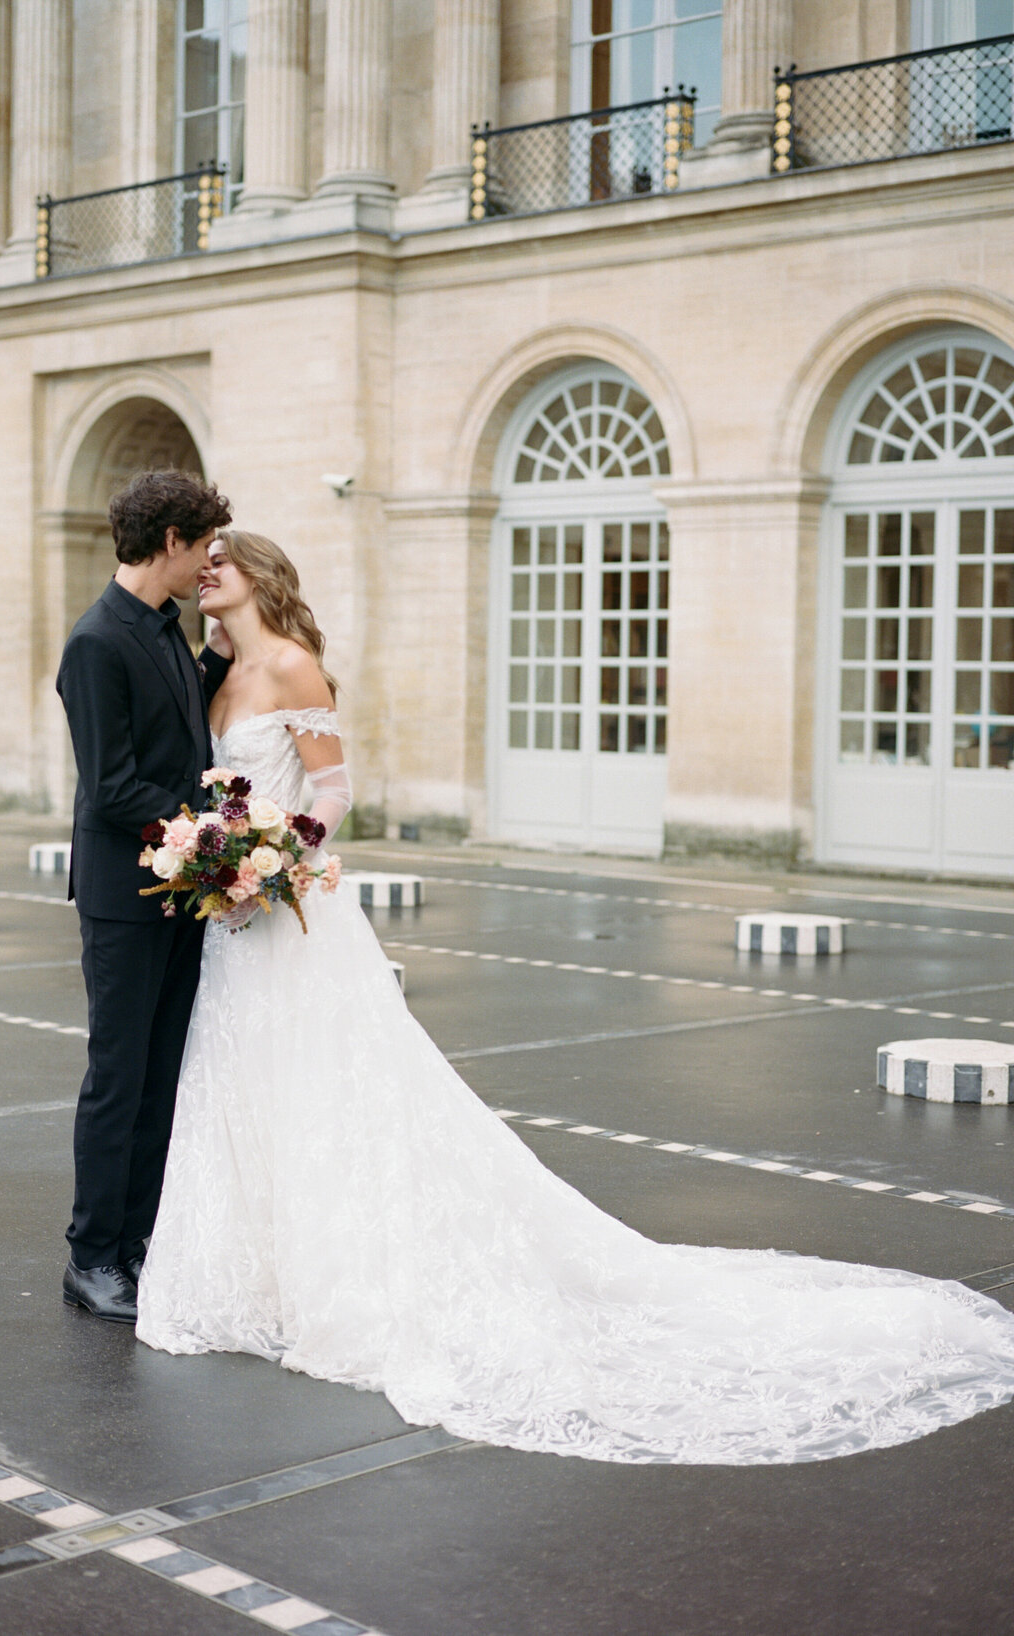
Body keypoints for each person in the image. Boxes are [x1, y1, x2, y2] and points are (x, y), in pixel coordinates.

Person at [136, 529, 1014, 1464]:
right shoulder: (214, 666)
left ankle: (337, 1282)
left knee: (327, 1081)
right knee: (248, 1081)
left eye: (223, 561)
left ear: (261, 576)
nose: (208, 571)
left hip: (291, 909)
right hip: (235, 922)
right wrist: (221, 860)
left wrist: (275, 863)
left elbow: (337, 790)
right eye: (204, 563)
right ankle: (263, 1277)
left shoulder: (290, 665)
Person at [55, 469, 233, 1323]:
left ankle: (136, 1243)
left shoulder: (164, 629)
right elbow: (112, 787)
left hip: (180, 890)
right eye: (201, 546)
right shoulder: (95, 641)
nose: (206, 563)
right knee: (118, 1078)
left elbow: (174, 729)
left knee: (162, 1075)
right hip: (126, 896)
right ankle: (90, 1258)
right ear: (169, 541)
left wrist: (212, 663)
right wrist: (208, 837)